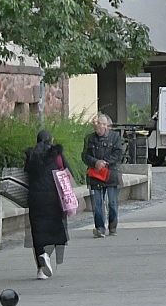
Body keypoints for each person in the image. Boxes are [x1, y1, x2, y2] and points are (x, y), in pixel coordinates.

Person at [22, 129, 70, 279]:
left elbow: (26, 175)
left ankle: (40, 264)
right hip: (53, 197)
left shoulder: (31, 155)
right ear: (51, 140)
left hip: (35, 198)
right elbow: (67, 172)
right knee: (55, 230)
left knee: (37, 231)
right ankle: (47, 257)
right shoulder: (56, 154)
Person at [81, 112, 125, 237]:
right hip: (95, 175)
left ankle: (112, 226)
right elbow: (85, 155)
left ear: (106, 125)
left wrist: (105, 162)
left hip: (110, 174)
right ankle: (100, 228)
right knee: (97, 203)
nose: (100, 126)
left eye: (103, 124)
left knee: (112, 203)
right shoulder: (89, 138)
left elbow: (118, 154)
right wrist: (95, 162)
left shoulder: (115, 137)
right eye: (98, 124)